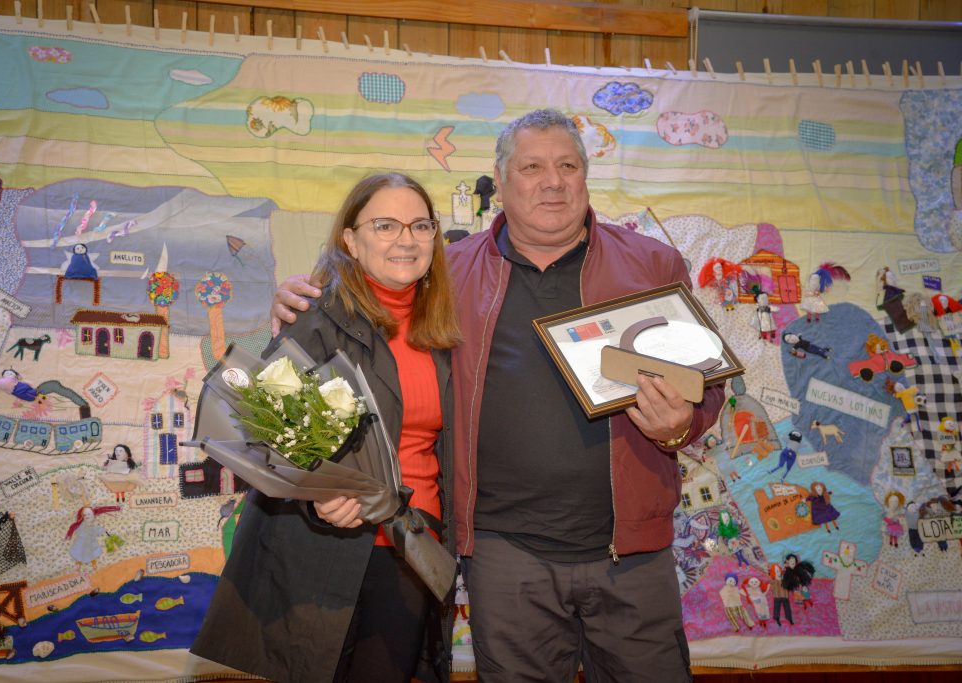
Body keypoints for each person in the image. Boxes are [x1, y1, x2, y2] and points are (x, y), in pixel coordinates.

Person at [273, 110, 725, 682]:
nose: (553, 181)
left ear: (586, 176)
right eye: (532, 167)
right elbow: (369, 299)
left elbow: (708, 382)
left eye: (568, 166)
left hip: (631, 551)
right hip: (503, 554)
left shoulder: (652, 263)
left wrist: (679, 426)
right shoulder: (447, 272)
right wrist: (299, 299)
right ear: (501, 179)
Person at [192, 173, 460, 683]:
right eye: (385, 225)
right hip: (321, 551)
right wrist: (316, 495)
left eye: (420, 225)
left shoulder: (447, 327)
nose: (406, 239)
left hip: (413, 545)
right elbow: (264, 434)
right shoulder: (313, 318)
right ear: (351, 240)